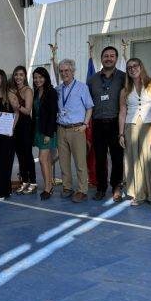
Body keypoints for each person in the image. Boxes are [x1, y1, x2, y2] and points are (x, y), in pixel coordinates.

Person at [118, 58, 151, 206]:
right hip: (131, 126)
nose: (132, 69)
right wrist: (121, 134)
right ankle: (137, 194)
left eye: (135, 66)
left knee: (148, 160)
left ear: (141, 67)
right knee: (132, 159)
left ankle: (149, 193)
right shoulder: (125, 90)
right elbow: (122, 112)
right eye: (129, 67)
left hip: (149, 125)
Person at [88, 46, 125, 202]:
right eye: (106, 56)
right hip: (98, 124)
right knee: (100, 158)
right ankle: (101, 188)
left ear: (116, 58)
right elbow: (87, 103)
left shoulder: (124, 77)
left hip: (116, 123)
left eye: (112, 56)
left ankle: (116, 186)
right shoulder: (92, 79)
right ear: (101, 58)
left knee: (117, 158)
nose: (108, 58)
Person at [56, 59, 94, 202]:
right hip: (61, 129)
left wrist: (85, 124)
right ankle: (67, 187)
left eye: (67, 70)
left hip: (77, 129)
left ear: (73, 71)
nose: (64, 73)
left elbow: (89, 107)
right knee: (63, 162)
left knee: (80, 162)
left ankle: (82, 190)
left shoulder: (82, 87)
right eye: (61, 71)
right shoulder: (58, 89)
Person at [0, 69, 18, 201]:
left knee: (4, 162)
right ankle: (4, 190)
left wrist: (12, 128)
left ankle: (1, 192)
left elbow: (17, 113)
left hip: (7, 134)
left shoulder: (10, 94)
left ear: (3, 79)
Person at [10, 65, 37, 194]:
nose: (18, 77)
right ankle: (24, 181)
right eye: (16, 74)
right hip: (15, 125)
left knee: (27, 154)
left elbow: (27, 110)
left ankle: (33, 182)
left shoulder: (28, 90)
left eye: (21, 74)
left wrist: (18, 106)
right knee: (20, 155)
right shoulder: (12, 90)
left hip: (25, 125)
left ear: (25, 76)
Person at [32, 67, 58, 200]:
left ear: (46, 78)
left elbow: (53, 114)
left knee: (42, 159)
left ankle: (48, 187)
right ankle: (49, 185)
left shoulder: (51, 92)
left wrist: (48, 134)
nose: (38, 80)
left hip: (47, 130)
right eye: (35, 77)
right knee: (46, 159)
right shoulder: (36, 91)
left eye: (40, 77)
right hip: (38, 128)